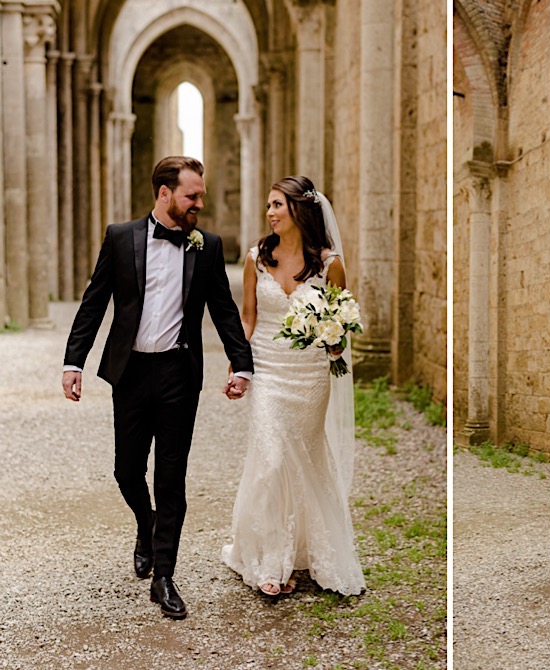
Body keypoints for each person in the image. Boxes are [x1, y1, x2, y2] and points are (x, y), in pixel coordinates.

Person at [62, 156, 254, 619]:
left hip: (177, 376)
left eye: (201, 195)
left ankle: (165, 575)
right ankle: (145, 526)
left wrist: (242, 366)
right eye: (192, 195)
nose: (199, 204)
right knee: (127, 471)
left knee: (171, 476)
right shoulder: (120, 237)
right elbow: (94, 302)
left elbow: (225, 312)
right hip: (129, 373)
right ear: (165, 193)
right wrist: (74, 361)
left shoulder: (205, 247)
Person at [221, 175, 365, 597]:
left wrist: (336, 340)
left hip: (309, 376)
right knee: (270, 459)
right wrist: (239, 365)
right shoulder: (255, 258)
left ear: (299, 210)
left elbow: (341, 316)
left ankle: (308, 550)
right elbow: (247, 317)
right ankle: (272, 560)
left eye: (277, 205)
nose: (270, 213)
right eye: (268, 205)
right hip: (268, 370)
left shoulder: (329, 263)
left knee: (304, 459)